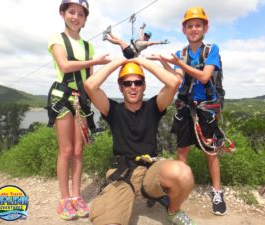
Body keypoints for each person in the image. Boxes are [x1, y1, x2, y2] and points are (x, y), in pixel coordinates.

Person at [84, 58, 196, 225]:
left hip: (150, 171)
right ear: (121, 87)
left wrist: (139, 61)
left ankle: (173, 211)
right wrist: (119, 61)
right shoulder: (112, 110)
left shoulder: (153, 107)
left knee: (183, 173)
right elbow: (90, 86)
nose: (133, 87)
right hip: (123, 174)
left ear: (144, 86)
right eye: (127, 83)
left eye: (138, 82)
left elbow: (174, 82)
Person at [148, 6, 227, 216]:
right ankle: (180, 186)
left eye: (197, 25)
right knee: (182, 150)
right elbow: (178, 79)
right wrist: (166, 63)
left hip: (206, 109)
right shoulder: (181, 53)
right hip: (185, 107)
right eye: (190, 26)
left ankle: (217, 191)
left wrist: (177, 63)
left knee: (211, 152)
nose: (193, 29)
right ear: (184, 30)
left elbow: (203, 76)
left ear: (205, 27)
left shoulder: (211, 50)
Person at [47, 0, 110, 220]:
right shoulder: (57, 39)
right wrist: (94, 61)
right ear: (62, 13)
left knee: (78, 150)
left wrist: (97, 101)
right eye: (71, 12)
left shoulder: (88, 46)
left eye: (80, 14)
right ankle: (64, 199)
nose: (75, 17)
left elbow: (89, 80)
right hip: (63, 98)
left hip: (81, 100)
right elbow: (64, 66)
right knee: (65, 150)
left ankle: (76, 196)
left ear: (85, 18)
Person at [103, 23, 169, 59]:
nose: (145, 36)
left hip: (131, 53)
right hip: (130, 52)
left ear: (148, 38)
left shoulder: (146, 43)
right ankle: (109, 33)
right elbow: (140, 31)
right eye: (145, 35)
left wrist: (161, 42)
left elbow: (152, 43)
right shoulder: (141, 38)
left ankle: (106, 38)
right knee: (120, 41)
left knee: (120, 42)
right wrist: (142, 27)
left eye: (147, 36)